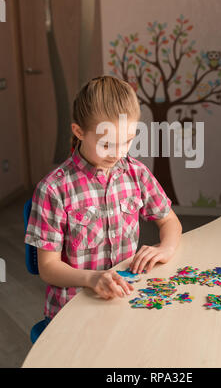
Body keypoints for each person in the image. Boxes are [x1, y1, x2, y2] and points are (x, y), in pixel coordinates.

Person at [25, 75, 182, 322]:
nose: (118, 153)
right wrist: (91, 278)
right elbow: (48, 267)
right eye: (107, 145)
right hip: (72, 310)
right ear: (79, 131)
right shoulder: (53, 189)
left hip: (124, 301)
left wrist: (166, 248)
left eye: (127, 142)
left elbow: (170, 221)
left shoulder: (136, 173)